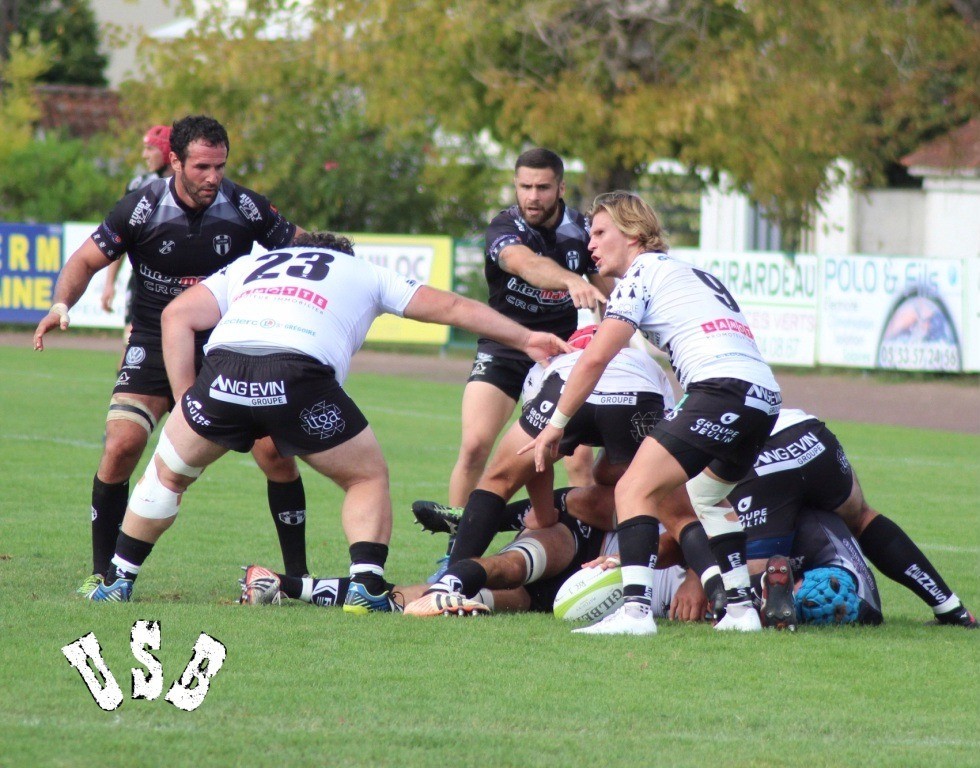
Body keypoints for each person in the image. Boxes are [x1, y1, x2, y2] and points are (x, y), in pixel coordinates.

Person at [86, 232, 573, 609]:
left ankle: (118, 579)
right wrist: (524, 338)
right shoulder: (363, 270)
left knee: (168, 475)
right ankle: (365, 586)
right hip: (297, 374)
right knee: (365, 476)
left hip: (223, 372)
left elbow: (176, 315)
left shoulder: (253, 264)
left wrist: (186, 401)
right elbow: (450, 306)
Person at [33, 115, 312, 596]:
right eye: (202, 166)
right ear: (176, 162)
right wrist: (62, 304)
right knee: (121, 445)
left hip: (227, 347)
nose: (213, 177)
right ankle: (103, 574)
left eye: (220, 166)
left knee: (274, 454)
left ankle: (298, 578)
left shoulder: (243, 205)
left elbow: (303, 249)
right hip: (153, 344)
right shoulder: (141, 207)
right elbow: (84, 260)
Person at [524, 191, 783, 635]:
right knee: (706, 497)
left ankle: (635, 613)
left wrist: (556, 425)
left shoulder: (640, 274)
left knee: (633, 489)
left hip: (721, 389)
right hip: (764, 395)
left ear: (634, 234)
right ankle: (741, 610)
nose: (591, 244)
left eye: (600, 233)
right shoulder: (688, 273)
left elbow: (594, 358)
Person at [406, 329, 729, 620]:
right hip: (637, 396)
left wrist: (544, 513)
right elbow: (664, 453)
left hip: (565, 388)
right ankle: (722, 595)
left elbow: (537, 456)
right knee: (673, 511)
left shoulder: (552, 364)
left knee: (499, 480)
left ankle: (451, 579)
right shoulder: (645, 363)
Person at [448, 148, 613, 511]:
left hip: (562, 355)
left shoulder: (584, 230)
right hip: (504, 345)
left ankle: (583, 537)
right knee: (474, 446)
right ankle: (456, 540)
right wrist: (571, 279)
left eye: (542, 187)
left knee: (578, 460)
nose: (532, 197)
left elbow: (610, 297)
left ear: (561, 188)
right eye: (525, 187)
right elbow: (525, 264)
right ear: (516, 185)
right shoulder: (504, 227)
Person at [728, 408, 976, 628]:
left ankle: (783, 595)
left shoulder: (706, 407)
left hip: (759, 456)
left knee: (747, 572)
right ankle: (950, 607)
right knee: (862, 518)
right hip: (809, 437)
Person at [100, 125, 175, 347]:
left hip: (180, 282)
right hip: (143, 282)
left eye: (150, 149)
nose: (144, 155)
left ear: (167, 152)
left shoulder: (191, 187)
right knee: (131, 346)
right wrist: (109, 283)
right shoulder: (138, 186)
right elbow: (119, 237)